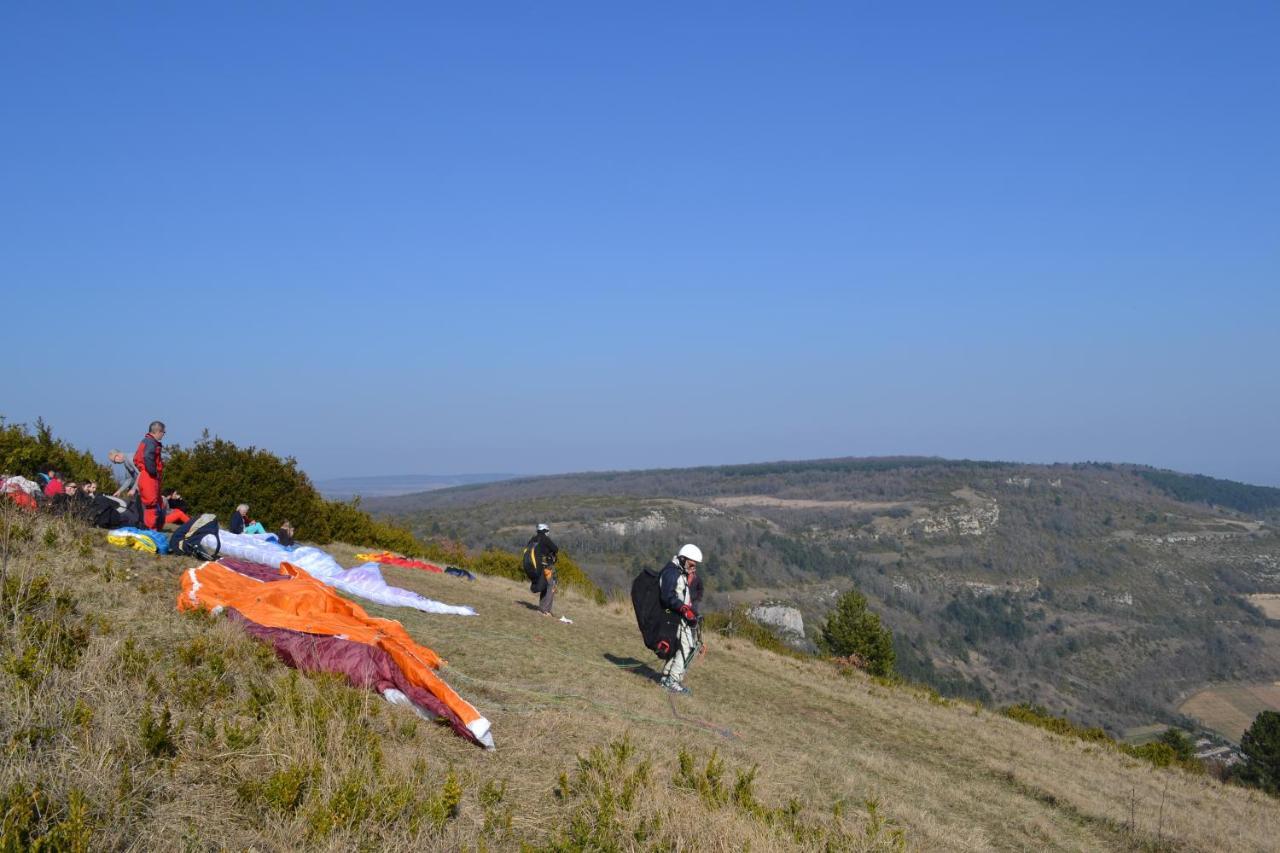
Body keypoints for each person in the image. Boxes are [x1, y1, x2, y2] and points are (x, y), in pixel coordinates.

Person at [658, 543, 704, 695]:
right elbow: (667, 596)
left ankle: (666, 678)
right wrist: (684, 609)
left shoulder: (679, 572)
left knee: (680, 648)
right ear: (683, 559)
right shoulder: (672, 573)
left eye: (695, 566)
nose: (693, 569)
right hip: (675, 618)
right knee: (687, 648)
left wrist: (691, 612)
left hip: (679, 617)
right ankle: (672, 681)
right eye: (691, 564)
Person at [132, 421, 165, 530]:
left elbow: (136, 459)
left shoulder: (145, 441)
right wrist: (153, 472)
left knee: (157, 503)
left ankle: (155, 528)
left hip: (145, 475)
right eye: (163, 432)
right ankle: (151, 531)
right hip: (149, 477)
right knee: (151, 504)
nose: (163, 435)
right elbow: (147, 457)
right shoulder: (151, 442)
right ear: (158, 431)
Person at [523, 523, 559, 616]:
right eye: (547, 531)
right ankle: (545, 610)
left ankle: (541, 609)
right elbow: (555, 549)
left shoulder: (533, 539)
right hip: (546, 566)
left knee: (545, 585)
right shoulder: (545, 539)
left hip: (537, 567)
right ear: (545, 531)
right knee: (551, 586)